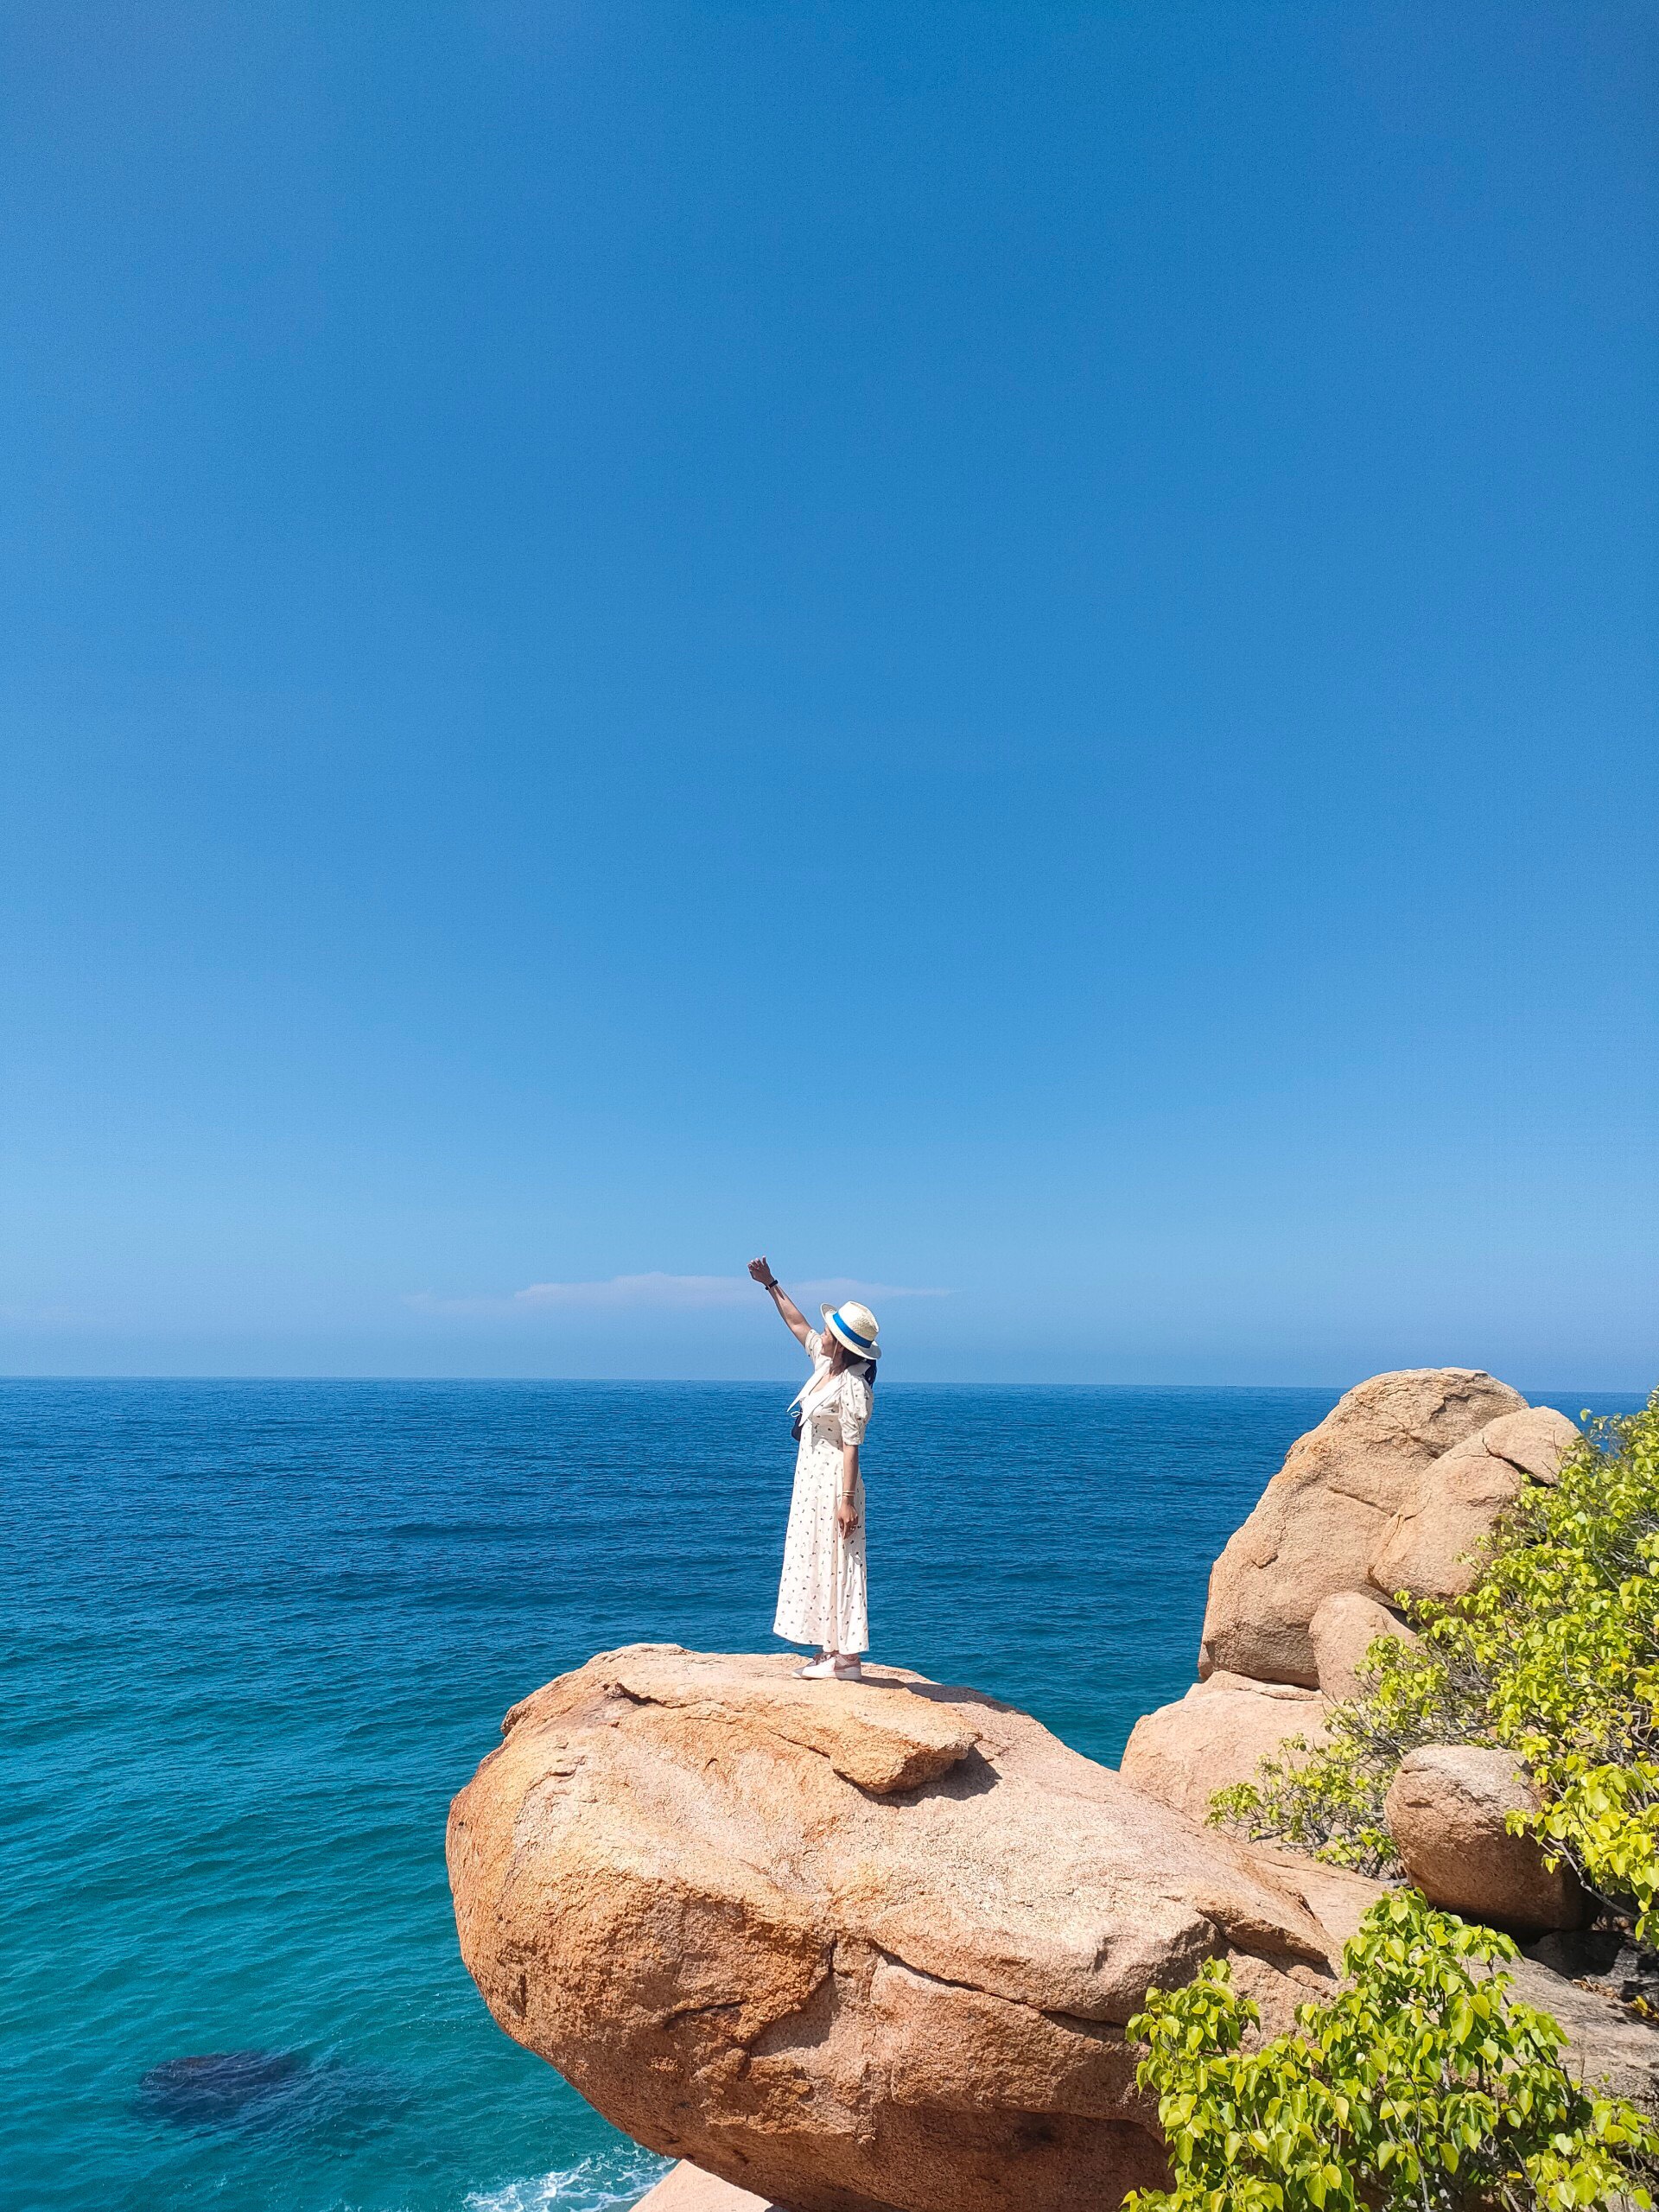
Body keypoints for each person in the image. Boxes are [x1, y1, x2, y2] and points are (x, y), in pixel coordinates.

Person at [747, 1258, 880, 1680]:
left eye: (829, 1332)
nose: (821, 1334)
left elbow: (852, 1446)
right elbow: (797, 1324)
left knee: (840, 1559)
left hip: (835, 1484)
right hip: (812, 1482)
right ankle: (830, 1651)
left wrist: (846, 1501)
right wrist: (771, 1285)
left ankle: (848, 1660)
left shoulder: (853, 1385)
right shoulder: (826, 1367)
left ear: (841, 1344)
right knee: (820, 1559)